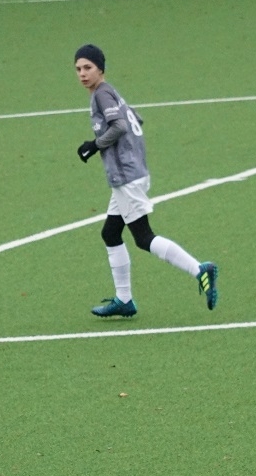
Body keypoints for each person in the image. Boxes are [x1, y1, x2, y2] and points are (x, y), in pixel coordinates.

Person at [74, 44, 219, 318]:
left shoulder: (101, 95)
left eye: (88, 67)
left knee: (143, 237)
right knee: (110, 233)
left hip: (126, 177)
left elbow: (120, 126)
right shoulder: (110, 91)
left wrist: (94, 145)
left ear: (100, 68)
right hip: (132, 173)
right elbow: (136, 119)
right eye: (78, 69)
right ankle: (124, 300)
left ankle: (200, 269)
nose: (82, 73)